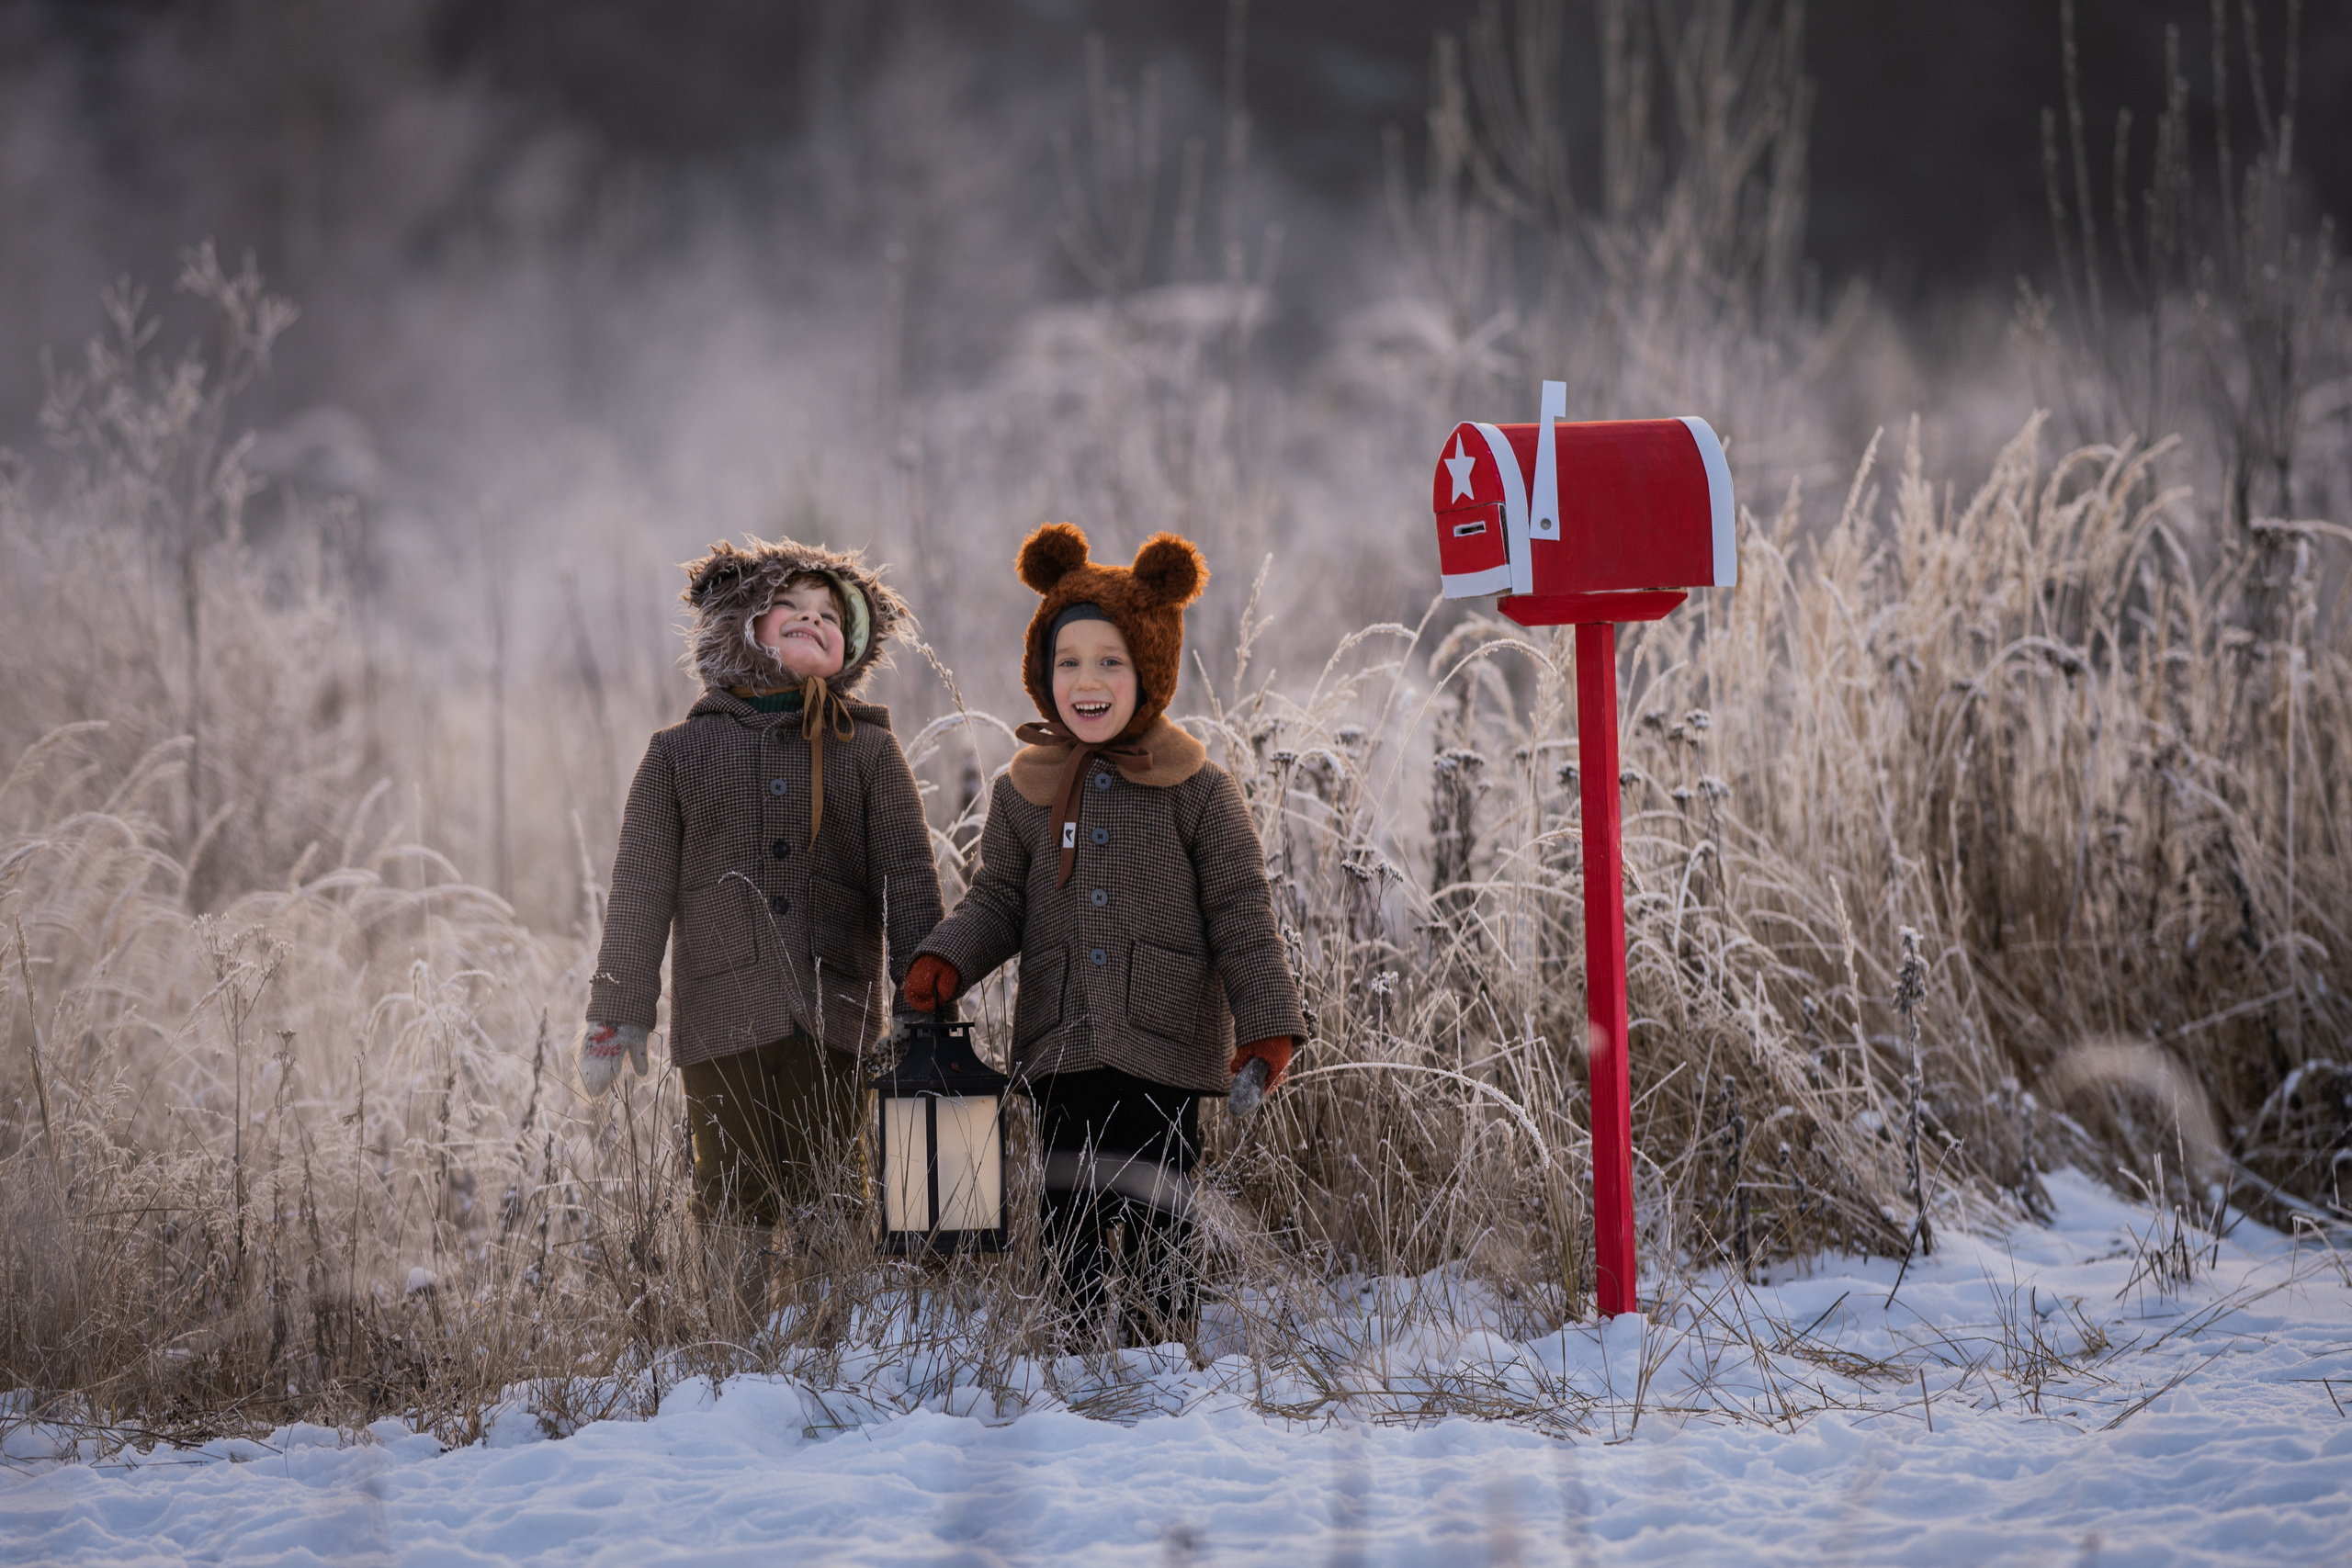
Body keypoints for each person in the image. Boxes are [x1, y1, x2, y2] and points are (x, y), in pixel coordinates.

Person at [901, 523, 1305, 1347]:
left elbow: (1242, 911)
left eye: (1111, 661)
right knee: (1069, 1202)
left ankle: (1160, 1339)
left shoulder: (1199, 788)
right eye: (1068, 661)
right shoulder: (1024, 791)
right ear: (1042, 674)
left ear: (1151, 667)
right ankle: (1078, 1342)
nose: (1087, 680)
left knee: (1160, 1199)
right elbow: (998, 901)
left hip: (1164, 1038)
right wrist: (949, 956)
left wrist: (1267, 1021)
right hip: (1061, 1039)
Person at [578, 537, 943, 1337]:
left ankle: (828, 1341)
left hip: (835, 1008)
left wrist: (929, 1001)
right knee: (730, 1178)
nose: (816, 619)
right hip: (720, 1014)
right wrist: (619, 1010)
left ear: (854, 648)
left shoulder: (869, 750)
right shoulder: (679, 755)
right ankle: (730, 1343)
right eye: (795, 610)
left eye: (831, 617)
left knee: (828, 1175)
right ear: (744, 624)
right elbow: (639, 888)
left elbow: (910, 879)